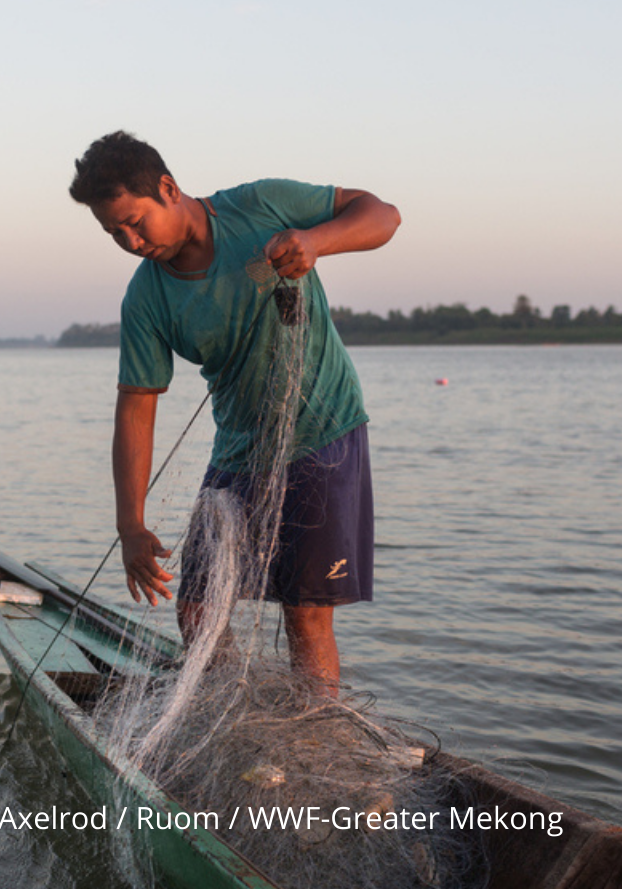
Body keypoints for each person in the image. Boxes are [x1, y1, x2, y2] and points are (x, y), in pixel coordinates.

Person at [68, 131, 400, 693]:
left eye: (135, 221)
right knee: (195, 607)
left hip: (322, 435)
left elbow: (383, 215)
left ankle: (317, 742)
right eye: (113, 232)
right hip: (239, 453)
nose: (129, 240)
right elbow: (136, 409)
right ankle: (229, 724)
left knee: (305, 613)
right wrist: (130, 524)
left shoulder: (261, 205)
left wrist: (317, 241)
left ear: (168, 189)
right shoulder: (146, 298)